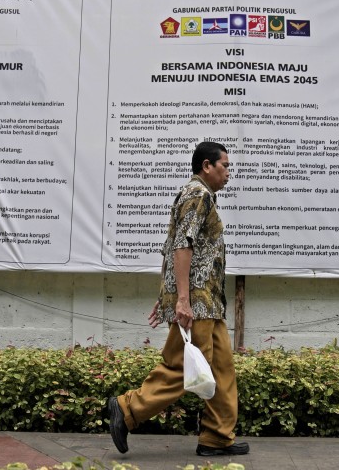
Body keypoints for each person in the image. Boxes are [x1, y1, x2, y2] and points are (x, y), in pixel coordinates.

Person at [107, 141, 248, 458]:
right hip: (197, 303)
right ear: (207, 166)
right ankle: (127, 409)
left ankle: (216, 437)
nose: (228, 173)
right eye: (225, 166)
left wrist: (168, 294)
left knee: (221, 370)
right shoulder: (197, 194)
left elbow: (173, 245)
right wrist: (180, 299)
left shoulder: (202, 196)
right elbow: (181, 246)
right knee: (180, 369)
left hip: (209, 302)